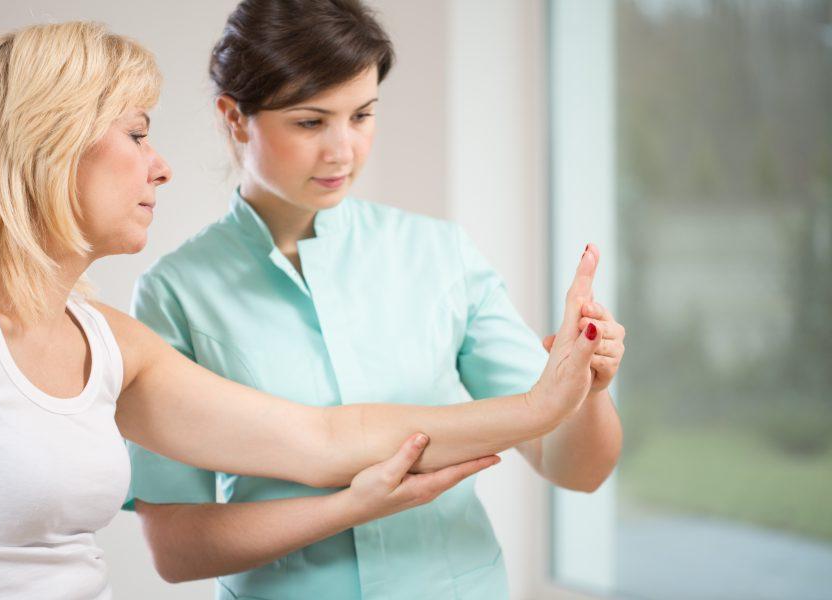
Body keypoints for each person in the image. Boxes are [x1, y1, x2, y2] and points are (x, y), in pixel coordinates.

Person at [0, 20, 609, 599]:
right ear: (44, 143)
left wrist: (551, 402)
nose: (159, 163)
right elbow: (184, 540)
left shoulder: (104, 339)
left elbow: (326, 438)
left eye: (361, 115)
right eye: (135, 133)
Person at [125, 1, 626, 599]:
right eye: (311, 122)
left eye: (361, 115)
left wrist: (587, 388)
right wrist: (348, 508)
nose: (343, 150)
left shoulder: (440, 254)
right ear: (235, 118)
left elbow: (574, 467)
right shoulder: (177, 291)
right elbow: (176, 548)